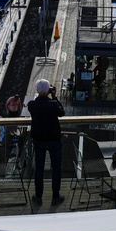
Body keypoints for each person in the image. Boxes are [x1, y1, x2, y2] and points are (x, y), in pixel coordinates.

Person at [27, 78, 65, 206]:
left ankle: (38, 196)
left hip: (39, 140)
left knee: (39, 169)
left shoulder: (32, 105)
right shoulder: (53, 104)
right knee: (56, 169)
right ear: (49, 91)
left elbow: (35, 106)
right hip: (54, 139)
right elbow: (62, 113)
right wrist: (54, 97)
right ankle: (55, 196)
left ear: (37, 91)